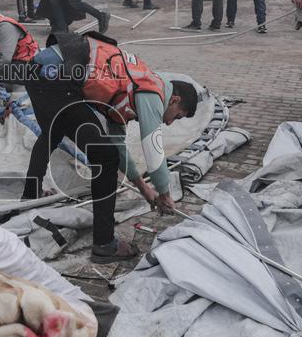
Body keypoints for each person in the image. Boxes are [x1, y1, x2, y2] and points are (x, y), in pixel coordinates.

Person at [22, 31, 198, 262]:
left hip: (40, 73)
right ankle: (104, 244)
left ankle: (29, 195)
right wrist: (165, 193)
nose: (169, 123)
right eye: (177, 116)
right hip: (56, 77)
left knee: (56, 133)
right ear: (174, 100)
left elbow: (119, 147)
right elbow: (153, 151)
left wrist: (145, 189)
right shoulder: (152, 92)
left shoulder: (131, 88)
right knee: (105, 157)